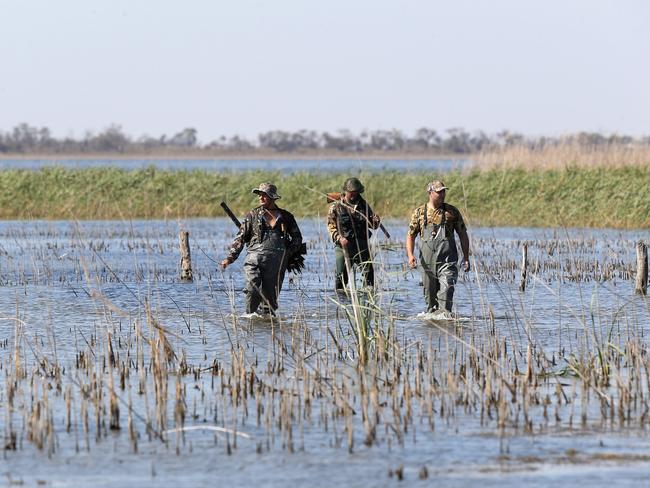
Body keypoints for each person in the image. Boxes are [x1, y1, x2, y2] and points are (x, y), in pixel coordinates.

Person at [221, 183, 302, 316]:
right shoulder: (252, 215)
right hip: (254, 260)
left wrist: (287, 253)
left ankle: (266, 327)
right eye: (260, 195)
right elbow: (240, 239)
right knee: (252, 289)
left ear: (272, 197)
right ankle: (250, 319)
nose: (261, 198)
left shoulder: (286, 217)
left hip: (276, 263)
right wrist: (230, 258)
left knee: (270, 302)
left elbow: (297, 238)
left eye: (264, 195)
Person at [405, 180, 470, 314]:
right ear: (430, 193)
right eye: (438, 192)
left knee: (446, 292)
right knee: (430, 302)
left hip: (447, 261)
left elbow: (463, 234)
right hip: (427, 264)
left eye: (443, 191)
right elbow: (410, 236)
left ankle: (446, 323)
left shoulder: (452, 212)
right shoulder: (419, 212)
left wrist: (466, 257)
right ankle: (433, 328)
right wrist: (410, 256)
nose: (442, 194)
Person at [327, 177, 381, 292]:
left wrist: (376, 221)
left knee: (369, 277)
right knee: (341, 277)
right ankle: (341, 300)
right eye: (351, 192)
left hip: (362, 246)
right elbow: (331, 227)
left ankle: (367, 300)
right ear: (345, 191)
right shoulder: (336, 206)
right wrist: (339, 238)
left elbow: (373, 226)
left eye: (355, 192)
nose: (353, 195)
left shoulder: (364, 206)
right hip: (343, 246)